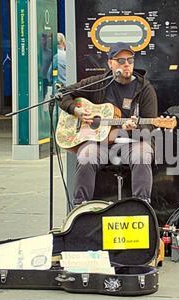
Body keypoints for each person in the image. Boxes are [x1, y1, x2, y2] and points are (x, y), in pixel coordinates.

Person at [58, 42, 158, 205]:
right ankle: (80, 208)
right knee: (86, 156)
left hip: (133, 143)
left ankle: (142, 206)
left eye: (130, 60)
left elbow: (151, 124)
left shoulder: (145, 88)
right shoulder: (98, 83)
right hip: (100, 143)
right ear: (110, 63)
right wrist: (76, 111)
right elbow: (63, 95)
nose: (126, 64)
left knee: (142, 155)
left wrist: (136, 127)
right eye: (120, 60)